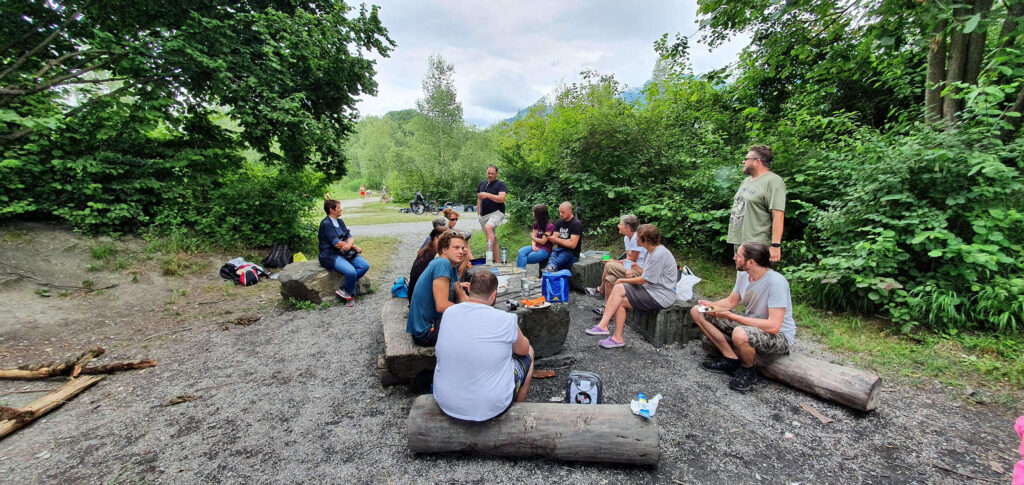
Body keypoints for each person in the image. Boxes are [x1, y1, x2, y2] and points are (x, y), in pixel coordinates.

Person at [690, 241, 797, 392]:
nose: (734, 258)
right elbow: (731, 301)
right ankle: (730, 358)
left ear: (751, 262)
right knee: (697, 310)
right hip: (750, 326)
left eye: (738, 256)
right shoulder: (743, 274)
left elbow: (774, 325)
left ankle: (748, 370)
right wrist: (711, 306)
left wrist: (733, 318)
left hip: (779, 336)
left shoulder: (777, 283)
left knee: (740, 333)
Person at [432, 270, 534, 421]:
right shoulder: (506, 319)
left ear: (468, 289)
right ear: (493, 295)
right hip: (490, 407)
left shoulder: (449, 312)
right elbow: (523, 350)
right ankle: (517, 416)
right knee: (530, 353)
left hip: (445, 401)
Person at [584, 224, 677, 348]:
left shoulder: (657, 255)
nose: (636, 239)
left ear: (645, 239)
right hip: (652, 289)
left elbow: (644, 280)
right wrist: (637, 268)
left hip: (660, 295)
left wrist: (623, 280)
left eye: (638, 236)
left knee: (619, 286)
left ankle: (603, 326)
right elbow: (651, 274)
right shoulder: (652, 250)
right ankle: (617, 338)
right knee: (619, 301)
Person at [406, 231, 470, 346]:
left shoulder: (451, 265)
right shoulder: (442, 264)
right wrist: (469, 311)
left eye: (462, 248)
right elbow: (441, 306)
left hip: (435, 323)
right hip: (426, 331)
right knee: (476, 331)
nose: (461, 251)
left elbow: (461, 295)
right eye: (456, 247)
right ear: (444, 250)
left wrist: (478, 308)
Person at [727, 145, 786, 263]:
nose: (743, 161)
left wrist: (775, 245)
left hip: (757, 246)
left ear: (757, 162)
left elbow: (778, 215)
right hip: (740, 243)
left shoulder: (773, 181)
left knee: (757, 280)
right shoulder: (746, 181)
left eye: (746, 159)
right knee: (742, 280)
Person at [586, 214, 646, 315]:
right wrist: (618, 263)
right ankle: (607, 308)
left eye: (620, 224)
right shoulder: (627, 238)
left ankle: (601, 291)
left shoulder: (636, 238)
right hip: (630, 267)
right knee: (610, 278)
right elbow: (628, 257)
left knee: (609, 265)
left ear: (627, 228)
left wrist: (615, 262)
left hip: (640, 271)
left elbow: (632, 260)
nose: (618, 225)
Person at [317, 199, 370, 308]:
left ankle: (344, 288)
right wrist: (354, 246)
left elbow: (349, 237)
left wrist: (350, 244)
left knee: (364, 265)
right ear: (331, 210)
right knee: (351, 272)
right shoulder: (326, 224)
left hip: (344, 252)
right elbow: (336, 244)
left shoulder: (340, 222)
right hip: (330, 255)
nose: (341, 210)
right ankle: (350, 295)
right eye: (339, 208)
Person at [476, 165, 507, 263]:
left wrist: (488, 195)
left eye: (492, 174)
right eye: (488, 173)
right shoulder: (482, 183)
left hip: (497, 212)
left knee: (489, 227)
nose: (490, 175)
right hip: (483, 215)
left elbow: (502, 198)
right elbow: (479, 198)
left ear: (496, 174)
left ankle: (489, 257)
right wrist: (479, 212)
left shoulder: (500, 184)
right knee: (493, 237)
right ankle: (497, 262)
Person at [409, 226, 448, 300]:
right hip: (422, 299)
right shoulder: (437, 255)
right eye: (447, 239)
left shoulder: (427, 249)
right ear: (436, 239)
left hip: (414, 296)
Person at [515, 204, 555, 268]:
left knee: (524, 257)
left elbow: (543, 241)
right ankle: (521, 274)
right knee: (521, 252)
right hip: (536, 247)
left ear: (539, 214)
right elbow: (534, 237)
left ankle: (521, 274)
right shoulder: (536, 223)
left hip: (545, 250)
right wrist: (533, 246)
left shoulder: (549, 226)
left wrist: (533, 237)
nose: (533, 213)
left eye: (534, 212)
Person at [546, 202, 583, 271]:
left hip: (571, 253)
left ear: (570, 212)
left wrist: (557, 240)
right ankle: (551, 278)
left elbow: (572, 245)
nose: (560, 214)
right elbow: (554, 240)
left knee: (552, 266)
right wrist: (552, 239)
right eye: (559, 212)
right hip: (558, 250)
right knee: (550, 265)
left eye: (563, 212)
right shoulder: (559, 222)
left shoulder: (576, 223)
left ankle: (550, 276)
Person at [442, 207, 473, 277]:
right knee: (464, 253)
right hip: (445, 255)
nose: (455, 221)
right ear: (447, 220)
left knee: (465, 240)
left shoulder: (452, 229)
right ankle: (458, 280)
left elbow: (466, 234)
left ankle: (470, 259)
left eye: (456, 219)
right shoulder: (444, 229)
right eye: (452, 219)